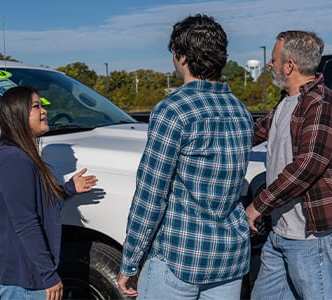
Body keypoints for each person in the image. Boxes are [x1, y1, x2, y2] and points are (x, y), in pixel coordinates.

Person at [117, 14, 254, 299]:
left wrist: (130, 261)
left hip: (180, 257)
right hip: (229, 257)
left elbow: (151, 194)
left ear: (181, 57)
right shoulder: (241, 111)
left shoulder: (173, 109)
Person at [245, 31, 332, 299]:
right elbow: (253, 132)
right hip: (282, 231)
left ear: (289, 65)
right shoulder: (287, 101)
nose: (270, 64)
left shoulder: (321, 103)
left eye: (273, 59)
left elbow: (308, 166)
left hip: (312, 235)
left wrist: (257, 206)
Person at [0, 86, 98, 300]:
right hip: (22, 280)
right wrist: (48, 275)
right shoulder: (14, 161)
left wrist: (68, 189)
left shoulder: (22, 156)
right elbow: (26, 223)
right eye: (36, 106)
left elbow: (35, 204)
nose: (44, 111)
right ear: (18, 114)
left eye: (42, 105)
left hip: (25, 276)